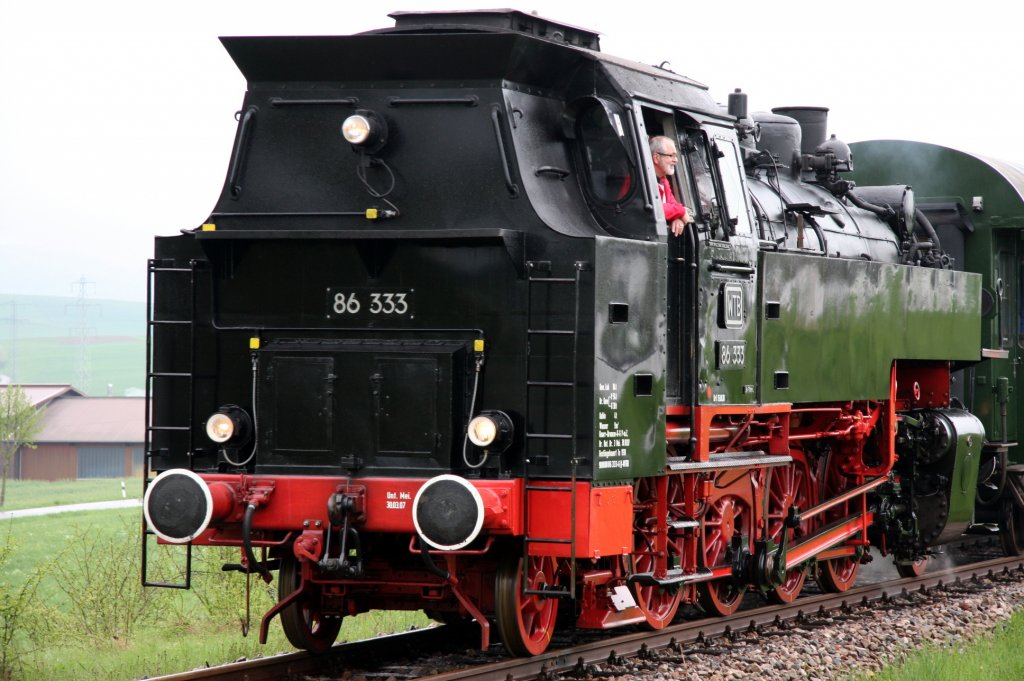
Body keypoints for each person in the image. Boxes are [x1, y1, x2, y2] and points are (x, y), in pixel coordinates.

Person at [650, 136, 695, 236]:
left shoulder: (663, 180)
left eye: (676, 156)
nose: (676, 160)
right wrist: (682, 212)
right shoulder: (641, 180)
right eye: (671, 156)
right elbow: (652, 208)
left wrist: (677, 219)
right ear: (656, 158)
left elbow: (673, 204)